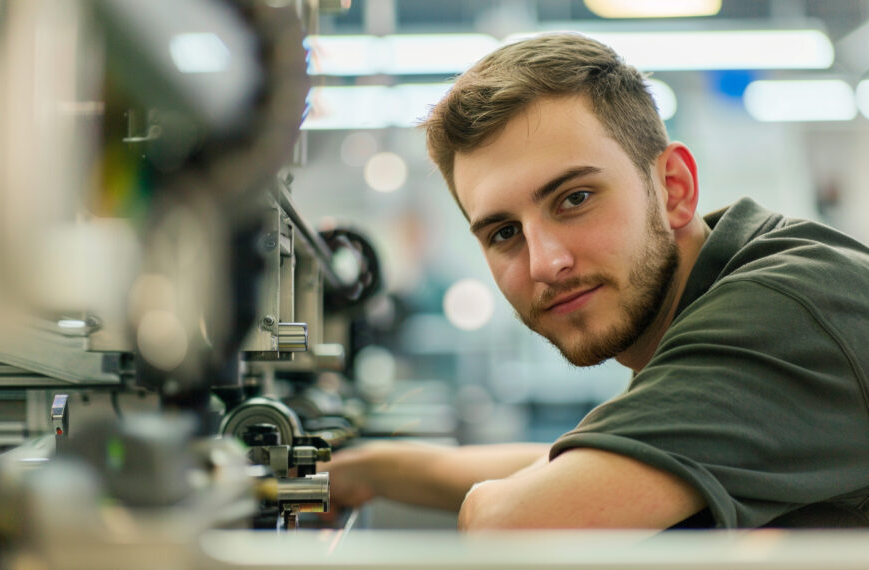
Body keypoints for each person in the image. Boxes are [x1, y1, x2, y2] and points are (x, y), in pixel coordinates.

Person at [324, 33, 869, 530]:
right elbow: (593, 461)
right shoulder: (707, 289)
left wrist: (483, 506)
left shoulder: (784, 310)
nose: (544, 263)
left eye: (575, 199)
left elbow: (516, 526)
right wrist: (373, 471)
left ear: (673, 189)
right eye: (504, 232)